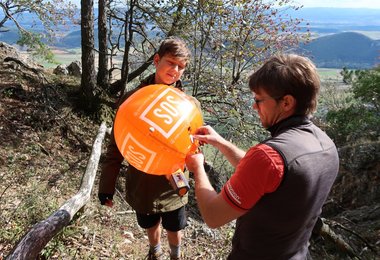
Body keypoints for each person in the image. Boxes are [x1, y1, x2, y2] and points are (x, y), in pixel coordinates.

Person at [185, 54, 339, 259]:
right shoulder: (326, 145)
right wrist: (221, 143)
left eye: (259, 100)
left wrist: (198, 169)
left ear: (286, 102)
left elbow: (213, 215)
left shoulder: (269, 157)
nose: (254, 107)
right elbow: (269, 178)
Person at [98, 37, 191, 260]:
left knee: (175, 226)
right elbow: (116, 146)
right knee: (149, 222)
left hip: (174, 184)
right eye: (171, 63)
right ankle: (155, 252)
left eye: (181, 67)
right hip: (143, 183)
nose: (175, 70)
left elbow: (192, 144)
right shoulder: (133, 101)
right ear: (156, 60)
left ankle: (175, 256)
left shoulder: (187, 104)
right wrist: (106, 187)